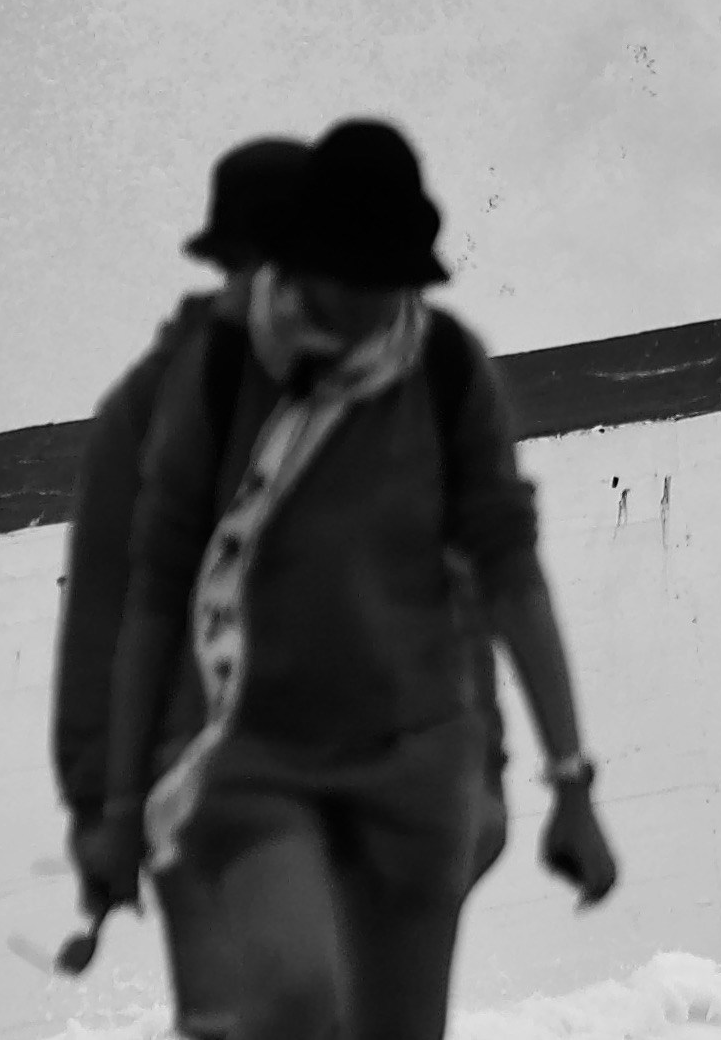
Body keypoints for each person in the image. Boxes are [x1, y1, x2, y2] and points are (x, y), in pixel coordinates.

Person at [81, 120, 616, 1040]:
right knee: (297, 999)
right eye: (354, 274)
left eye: (394, 275)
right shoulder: (214, 379)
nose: (379, 301)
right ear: (302, 261)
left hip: (416, 767)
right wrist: (122, 802)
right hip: (257, 762)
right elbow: (157, 594)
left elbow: (509, 578)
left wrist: (567, 779)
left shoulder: (447, 371)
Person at [54, 133, 310, 875]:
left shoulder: (359, 390)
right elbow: (117, 608)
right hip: (205, 781)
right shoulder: (156, 408)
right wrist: (109, 806)